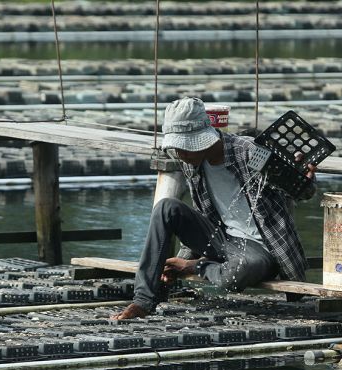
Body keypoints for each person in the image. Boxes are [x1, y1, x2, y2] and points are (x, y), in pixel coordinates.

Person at [112, 97, 317, 319]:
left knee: (238, 272)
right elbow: (202, 213)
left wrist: (302, 178)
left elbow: (302, 193)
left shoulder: (248, 153)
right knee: (166, 208)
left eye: (186, 148)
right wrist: (181, 258)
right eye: (178, 149)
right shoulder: (192, 162)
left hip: (259, 248)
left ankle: (197, 266)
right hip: (222, 239)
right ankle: (143, 300)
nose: (181, 155)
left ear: (204, 139)